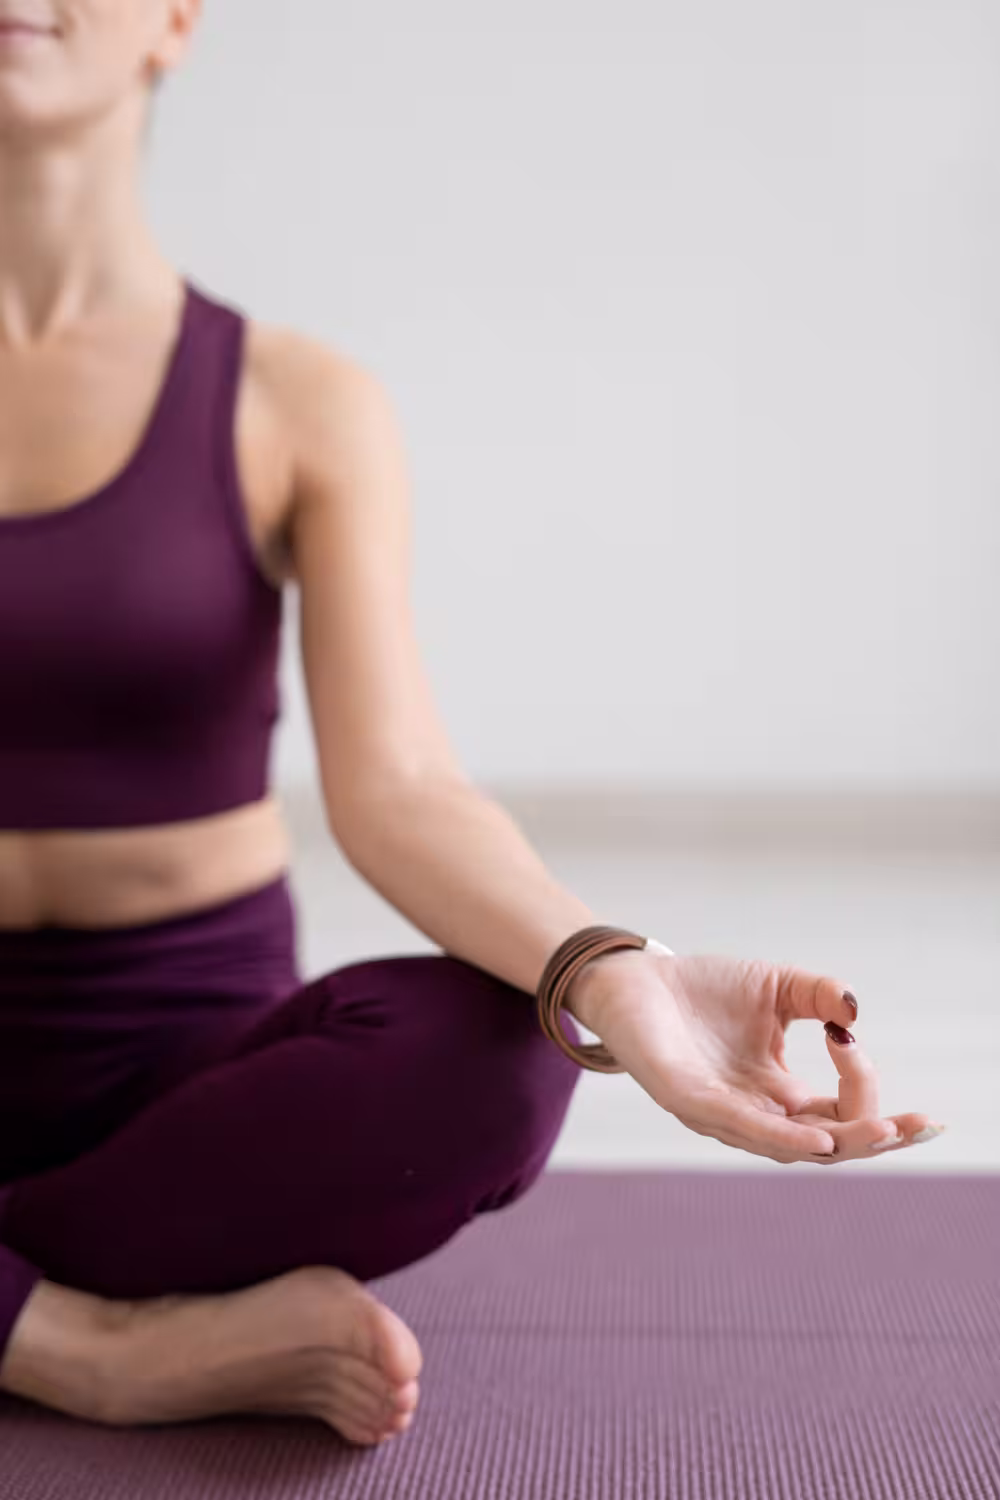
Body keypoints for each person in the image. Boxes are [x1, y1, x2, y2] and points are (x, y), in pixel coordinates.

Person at [0, 0, 943, 1449]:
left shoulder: (297, 403)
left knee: (504, 1043)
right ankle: (89, 1345)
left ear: (175, 20)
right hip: (131, 1223)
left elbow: (402, 788)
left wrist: (616, 972)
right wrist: (92, 1351)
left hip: (176, 1095)